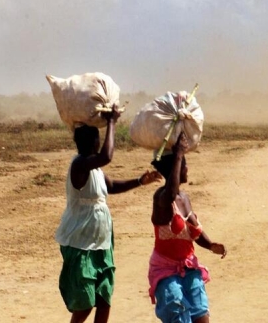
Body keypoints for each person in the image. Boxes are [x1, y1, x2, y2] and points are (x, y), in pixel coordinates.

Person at [55, 105, 163, 323]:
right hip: (80, 242)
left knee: (104, 297)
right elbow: (107, 155)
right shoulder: (79, 165)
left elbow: (111, 186)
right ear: (90, 142)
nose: (99, 142)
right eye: (97, 138)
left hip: (101, 242)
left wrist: (140, 181)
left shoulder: (94, 169)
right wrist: (112, 121)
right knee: (85, 304)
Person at [148, 132, 226, 323]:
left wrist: (210, 245)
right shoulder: (161, 198)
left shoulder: (184, 198)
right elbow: (170, 191)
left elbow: (192, 230)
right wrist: (178, 154)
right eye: (183, 163)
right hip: (165, 270)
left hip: (189, 265)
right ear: (173, 167)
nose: (187, 167)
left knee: (201, 315)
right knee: (179, 315)